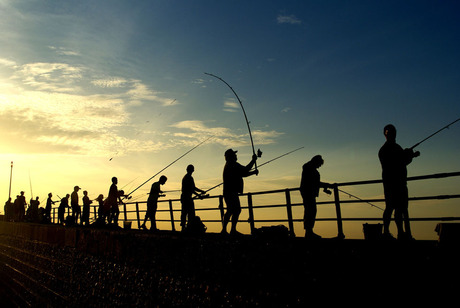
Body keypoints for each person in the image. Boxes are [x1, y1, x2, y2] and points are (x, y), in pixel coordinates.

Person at [379, 124, 419, 241]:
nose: (392, 134)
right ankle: (391, 233)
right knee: (393, 208)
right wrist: (409, 155)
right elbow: (399, 162)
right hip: (394, 183)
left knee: (398, 208)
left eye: (393, 132)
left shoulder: (392, 148)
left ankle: (399, 233)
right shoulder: (386, 149)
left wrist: (410, 155)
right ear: (386, 134)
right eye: (390, 132)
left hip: (397, 182)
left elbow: (402, 161)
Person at [222, 149, 258, 236]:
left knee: (231, 210)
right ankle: (231, 230)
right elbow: (245, 170)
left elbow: (243, 173)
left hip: (228, 192)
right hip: (231, 192)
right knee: (235, 210)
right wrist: (253, 160)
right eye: (234, 155)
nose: (236, 156)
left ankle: (226, 230)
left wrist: (253, 172)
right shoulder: (233, 164)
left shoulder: (230, 165)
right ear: (230, 157)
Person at [300, 155, 334, 239]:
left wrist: (326, 187)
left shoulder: (309, 168)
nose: (319, 166)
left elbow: (316, 182)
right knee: (310, 211)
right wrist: (327, 185)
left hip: (308, 192)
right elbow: (315, 182)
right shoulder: (309, 168)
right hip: (308, 193)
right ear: (316, 162)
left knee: (310, 211)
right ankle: (309, 232)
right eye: (319, 164)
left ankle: (309, 232)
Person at [180, 165, 206, 232]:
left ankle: (183, 227)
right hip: (188, 198)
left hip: (184, 197)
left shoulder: (185, 177)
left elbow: (193, 188)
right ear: (193, 170)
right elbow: (192, 189)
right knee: (191, 213)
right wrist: (199, 194)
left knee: (184, 213)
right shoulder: (189, 178)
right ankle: (189, 227)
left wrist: (201, 192)